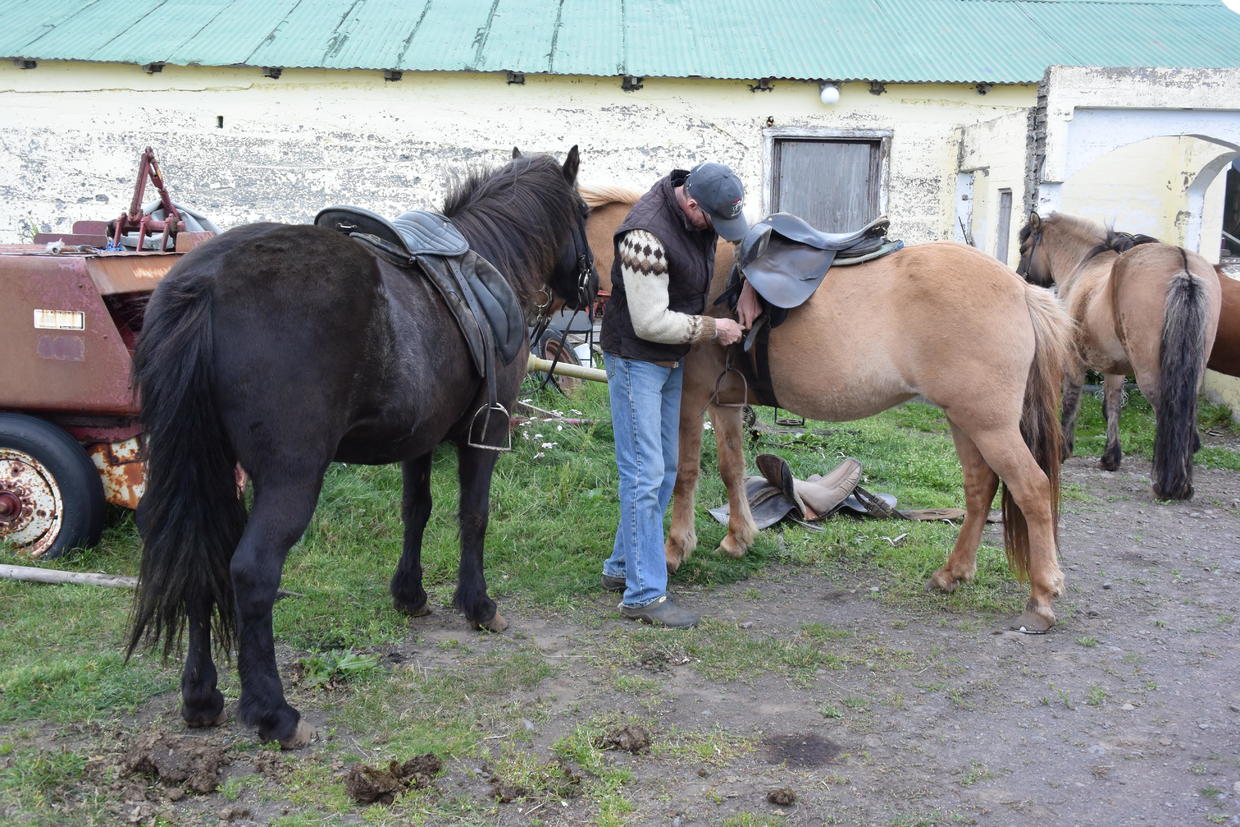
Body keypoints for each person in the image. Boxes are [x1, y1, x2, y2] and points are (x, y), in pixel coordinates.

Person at [599, 162, 748, 628]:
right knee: (644, 476)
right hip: (636, 361)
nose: (717, 233)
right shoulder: (646, 235)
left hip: (668, 361)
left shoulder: (698, 214)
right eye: (713, 222)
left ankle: (621, 567)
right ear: (691, 203)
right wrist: (713, 327)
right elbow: (649, 322)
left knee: (661, 470)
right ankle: (643, 595)